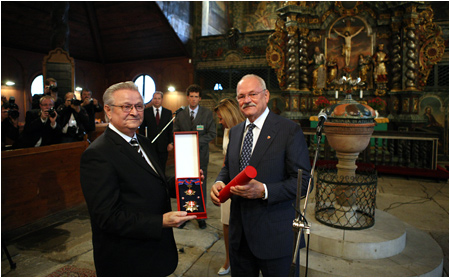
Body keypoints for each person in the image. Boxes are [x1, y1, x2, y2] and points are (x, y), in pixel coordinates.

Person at [80, 81, 197, 277]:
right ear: (108, 110)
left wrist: (185, 181)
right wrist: (159, 221)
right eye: (126, 106)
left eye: (139, 106)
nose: (135, 112)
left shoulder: (142, 141)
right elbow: (107, 217)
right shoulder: (98, 154)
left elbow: (155, 182)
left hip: (155, 250)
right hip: (127, 258)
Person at [210, 74, 311, 277]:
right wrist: (220, 181)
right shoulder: (235, 132)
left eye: (252, 94)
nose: (246, 100)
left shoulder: (289, 131)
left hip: (275, 237)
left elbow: (305, 183)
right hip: (240, 238)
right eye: (241, 96)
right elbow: (229, 169)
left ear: (266, 95)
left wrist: (264, 191)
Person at [173, 84, 216, 229]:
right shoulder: (180, 114)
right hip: (184, 155)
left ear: (200, 98)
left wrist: (194, 141)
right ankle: (184, 215)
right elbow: (175, 131)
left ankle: (200, 216)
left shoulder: (207, 114)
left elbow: (212, 133)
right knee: (184, 183)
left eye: (196, 97)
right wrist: (182, 141)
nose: (193, 99)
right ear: (187, 97)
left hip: (200, 155)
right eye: (191, 96)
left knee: (200, 184)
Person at [213, 98, 245, 275]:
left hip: (246, 184)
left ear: (229, 114)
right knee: (227, 223)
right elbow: (226, 161)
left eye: (221, 117)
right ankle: (228, 259)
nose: (220, 122)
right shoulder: (227, 132)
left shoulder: (246, 129)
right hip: (229, 181)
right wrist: (220, 181)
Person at [140, 91, 173, 173]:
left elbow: (170, 129)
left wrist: (171, 143)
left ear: (162, 100)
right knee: (151, 167)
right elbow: (142, 129)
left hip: (164, 146)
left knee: (162, 168)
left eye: (159, 98)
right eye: (155, 98)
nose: (157, 100)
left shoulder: (168, 112)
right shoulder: (146, 112)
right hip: (150, 145)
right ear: (152, 99)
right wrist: (143, 143)